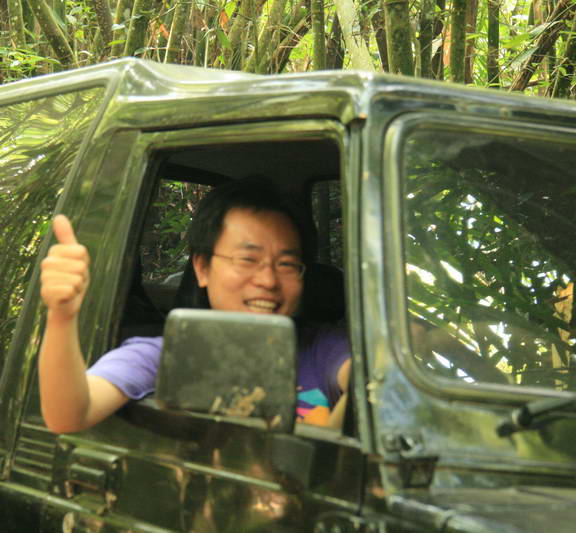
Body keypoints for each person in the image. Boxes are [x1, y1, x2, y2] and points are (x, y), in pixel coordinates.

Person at [39, 179, 351, 433]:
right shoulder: (166, 355)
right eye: (247, 259)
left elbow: (368, 379)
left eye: (286, 264)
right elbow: (69, 415)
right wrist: (62, 317)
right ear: (202, 268)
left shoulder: (323, 350)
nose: (268, 280)